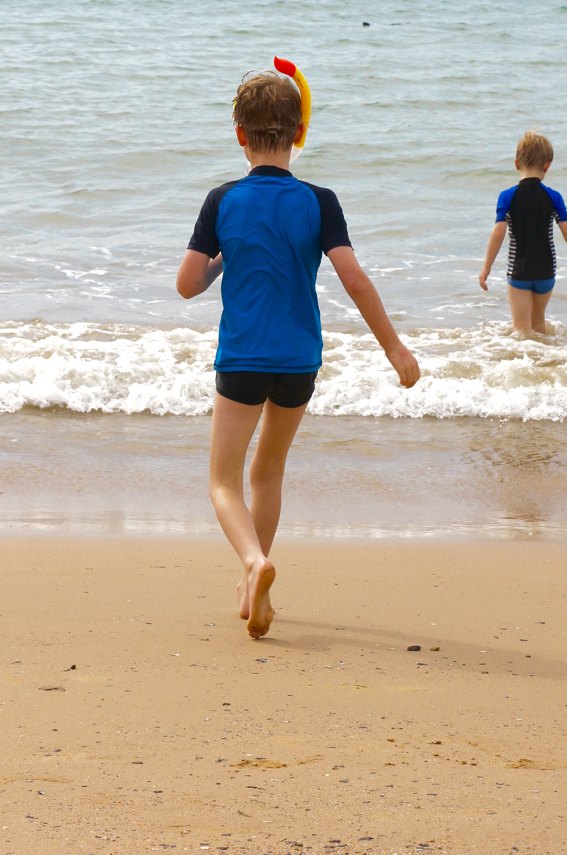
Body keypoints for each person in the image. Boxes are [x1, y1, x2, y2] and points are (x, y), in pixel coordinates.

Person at [176, 70, 420, 639]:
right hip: (299, 362)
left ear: (240, 135)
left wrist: (224, 257)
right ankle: (250, 588)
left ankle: (252, 563)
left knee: (222, 481)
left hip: (242, 358)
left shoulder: (222, 200)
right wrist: (394, 348)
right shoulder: (320, 201)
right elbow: (354, 279)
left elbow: (188, 284)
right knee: (269, 470)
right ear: (300, 133)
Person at [479, 130, 567, 334]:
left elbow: (498, 232)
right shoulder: (553, 197)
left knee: (521, 328)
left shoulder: (507, 197)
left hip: (519, 271)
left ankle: (526, 356)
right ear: (547, 166)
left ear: (516, 164)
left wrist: (486, 267)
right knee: (538, 322)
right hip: (546, 272)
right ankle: (543, 355)